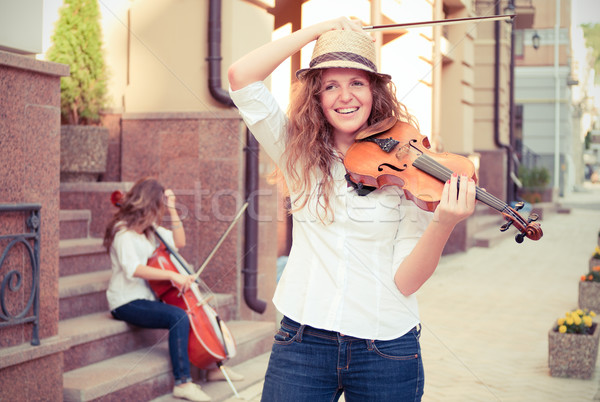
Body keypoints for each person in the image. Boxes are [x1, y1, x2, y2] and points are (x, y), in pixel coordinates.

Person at [228, 17, 476, 401]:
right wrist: (320, 30)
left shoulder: (408, 170)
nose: (345, 96)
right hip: (302, 342)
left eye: (357, 82)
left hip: (385, 347)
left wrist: (442, 224)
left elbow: (406, 282)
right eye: (331, 86)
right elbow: (241, 76)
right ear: (317, 97)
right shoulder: (297, 152)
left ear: (374, 91)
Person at [103, 177, 242, 402]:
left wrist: (173, 210)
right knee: (178, 317)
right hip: (126, 301)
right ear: (148, 204)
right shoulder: (123, 233)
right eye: (159, 206)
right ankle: (183, 383)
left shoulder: (149, 230)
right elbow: (133, 269)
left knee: (195, 312)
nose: (160, 212)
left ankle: (213, 367)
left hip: (148, 297)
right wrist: (171, 274)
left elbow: (179, 241)